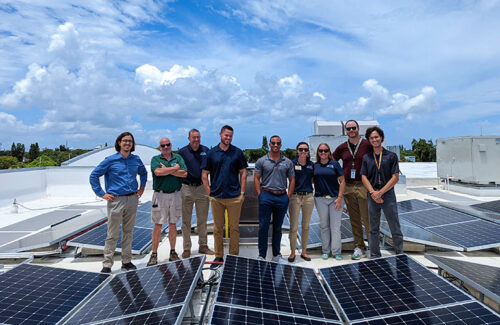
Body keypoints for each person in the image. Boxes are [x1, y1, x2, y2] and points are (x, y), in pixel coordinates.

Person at [89, 132, 147, 273]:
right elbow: (94, 176)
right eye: (125, 141)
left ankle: (126, 262)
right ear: (119, 143)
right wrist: (102, 194)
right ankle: (107, 264)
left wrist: (142, 188)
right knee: (112, 233)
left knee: (128, 232)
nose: (127, 143)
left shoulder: (136, 159)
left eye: (130, 141)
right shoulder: (110, 160)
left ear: (132, 144)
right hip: (116, 201)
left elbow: (143, 173)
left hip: (132, 199)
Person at [201, 125, 247, 269]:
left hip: (234, 197)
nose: (228, 138)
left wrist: (242, 193)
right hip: (217, 198)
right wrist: (210, 192)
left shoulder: (237, 152)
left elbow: (244, 173)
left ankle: (233, 257)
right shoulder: (211, 153)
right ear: (220, 135)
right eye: (226, 135)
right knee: (217, 229)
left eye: (230, 136)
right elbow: (204, 175)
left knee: (234, 228)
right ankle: (219, 256)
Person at [361, 126, 403, 259]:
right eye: (372, 138)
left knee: (394, 226)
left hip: (388, 195)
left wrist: (381, 192)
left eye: (376, 137)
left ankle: (399, 253)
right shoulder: (367, 157)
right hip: (372, 195)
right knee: (373, 228)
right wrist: (373, 193)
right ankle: (374, 255)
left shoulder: (391, 156)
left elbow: (395, 177)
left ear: (382, 138)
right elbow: (363, 177)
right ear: (369, 140)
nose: (374, 139)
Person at [333, 120, 371, 260]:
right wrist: (338, 176)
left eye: (353, 128)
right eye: (348, 128)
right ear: (345, 131)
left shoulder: (367, 145)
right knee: (354, 219)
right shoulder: (342, 147)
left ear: (358, 128)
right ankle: (359, 247)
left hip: (363, 185)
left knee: (367, 218)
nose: (351, 130)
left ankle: (373, 247)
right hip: (348, 185)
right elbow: (332, 160)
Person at [146, 137, 187, 266]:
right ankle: (154, 254)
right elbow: (158, 172)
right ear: (160, 147)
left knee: (173, 224)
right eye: (162, 145)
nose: (165, 147)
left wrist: (167, 170)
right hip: (160, 195)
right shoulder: (155, 159)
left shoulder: (178, 158)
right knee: (158, 225)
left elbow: (184, 174)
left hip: (176, 194)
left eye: (167, 145)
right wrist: (175, 169)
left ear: (171, 145)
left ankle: (173, 252)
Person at [254, 136, 295, 262]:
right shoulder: (262, 161)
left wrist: (288, 197)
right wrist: (260, 194)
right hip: (266, 195)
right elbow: (256, 178)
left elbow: (292, 180)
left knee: (278, 227)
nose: (275, 145)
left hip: (282, 197)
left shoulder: (287, 162)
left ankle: (276, 254)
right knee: (263, 226)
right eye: (273, 143)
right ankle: (262, 255)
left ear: (281, 145)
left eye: (278, 143)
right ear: (270, 145)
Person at [178, 129, 214, 258]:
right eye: (194, 137)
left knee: (202, 220)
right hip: (186, 188)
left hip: (202, 188)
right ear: (189, 138)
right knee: (186, 221)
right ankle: (187, 248)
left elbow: (211, 168)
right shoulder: (182, 152)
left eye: (198, 137)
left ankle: (203, 246)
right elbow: (178, 169)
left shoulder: (206, 151)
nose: (196, 140)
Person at [314, 143, 345, 260]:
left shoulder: (335, 164)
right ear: (318, 152)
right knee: (324, 226)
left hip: (334, 200)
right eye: (321, 151)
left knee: (335, 226)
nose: (323, 153)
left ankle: (336, 251)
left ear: (329, 152)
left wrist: (339, 198)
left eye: (325, 150)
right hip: (320, 199)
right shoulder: (315, 166)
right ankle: (325, 250)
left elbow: (342, 181)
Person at [287, 142, 314, 262]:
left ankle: (304, 251)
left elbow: (314, 179)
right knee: (293, 227)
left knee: (306, 226)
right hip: (295, 197)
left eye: (305, 150)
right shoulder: (291, 164)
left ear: (308, 152)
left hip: (308, 197)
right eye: (301, 149)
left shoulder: (311, 165)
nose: (303, 151)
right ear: (297, 150)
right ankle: (293, 252)